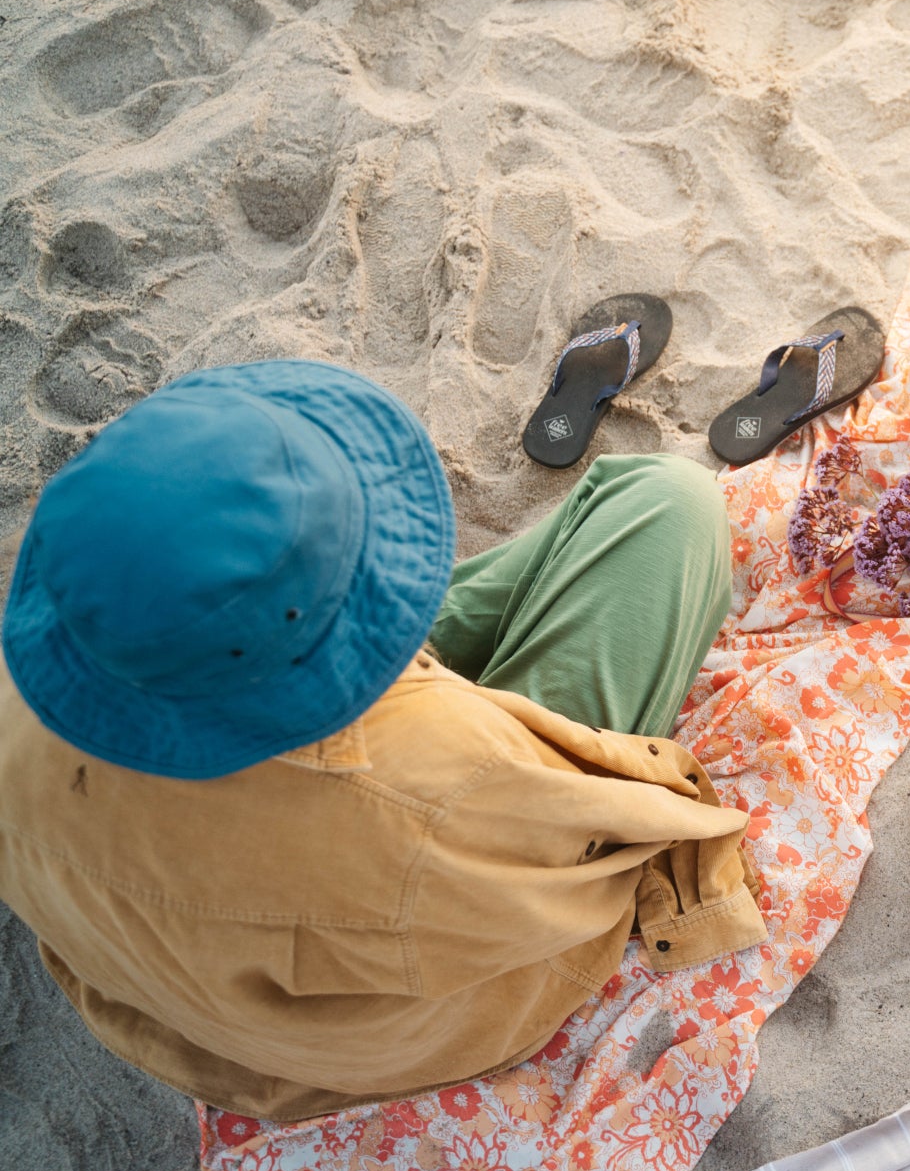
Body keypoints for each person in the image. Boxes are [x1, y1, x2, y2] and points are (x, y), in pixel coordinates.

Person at [0, 359, 764, 1121]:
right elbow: (604, 831)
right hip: (390, 1039)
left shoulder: (24, 674)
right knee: (673, 499)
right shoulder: (438, 776)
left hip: (172, 1011)